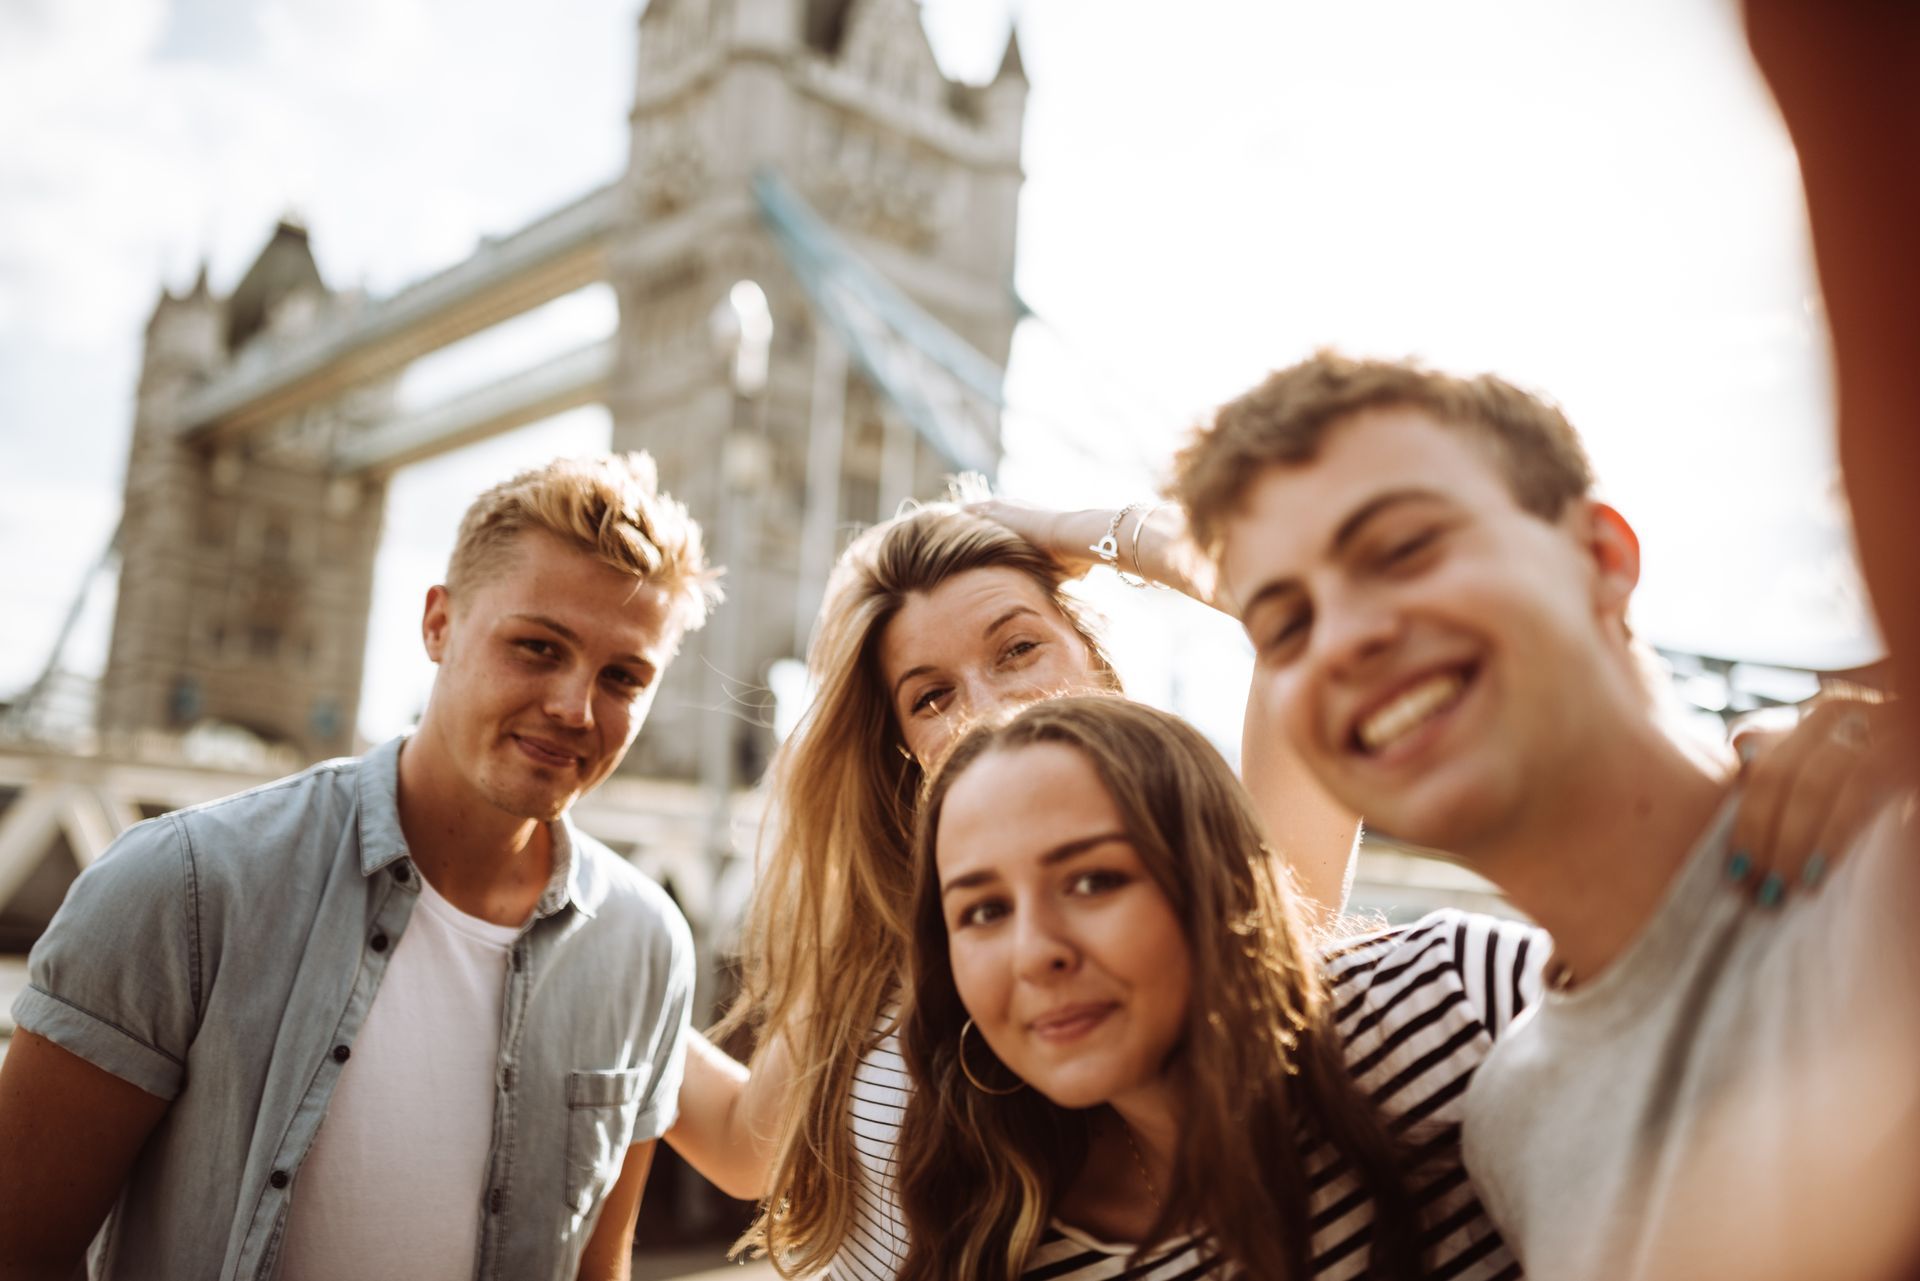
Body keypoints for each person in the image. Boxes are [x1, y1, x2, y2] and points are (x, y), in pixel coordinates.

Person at [1164, 349, 1918, 1280]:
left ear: (1601, 558)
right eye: (1284, 624)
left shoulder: (1889, 864)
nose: (1346, 636)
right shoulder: (1510, 1121)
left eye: (1402, 548)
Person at [0, 454, 719, 1280]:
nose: (574, 706)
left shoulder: (647, 942)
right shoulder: (185, 886)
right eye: (537, 646)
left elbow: (601, 1266)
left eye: (623, 676)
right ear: (438, 624)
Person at [661, 503, 1368, 1279]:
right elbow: (741, 1144)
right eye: (930, 697)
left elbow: (1302, 606)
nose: (985, 709)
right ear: (905, 749)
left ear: (1094, 655)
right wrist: (598, 924)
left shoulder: (1213, 883)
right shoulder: (878, 933)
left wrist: (1087, 531)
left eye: (1019, 648)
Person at [900, 695, 1539, 1281]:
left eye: (1092, 882)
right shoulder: (1006, 1249)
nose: (1035, 955)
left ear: (1214, 880)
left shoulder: (1458, 997)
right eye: (984, 911)